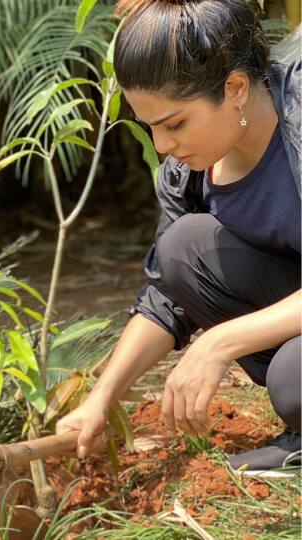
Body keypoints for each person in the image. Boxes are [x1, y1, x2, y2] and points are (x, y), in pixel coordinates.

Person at [57, 0, 300, 478]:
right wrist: (99, 400)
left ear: (233, 88)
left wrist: (219, 343)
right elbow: (165, 298)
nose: (163, 146)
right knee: (183, 249)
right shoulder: (188, 173)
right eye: (151, 128)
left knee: (295, 380)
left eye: (174, 124)